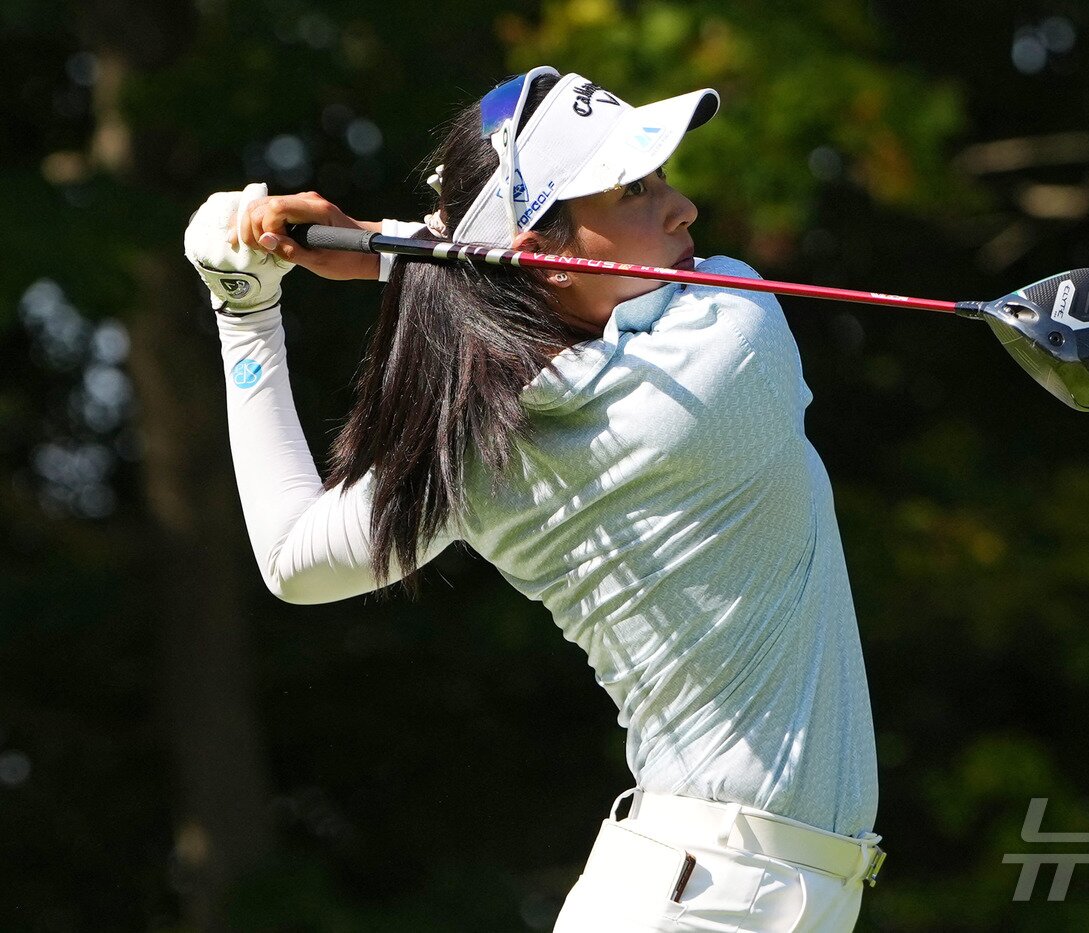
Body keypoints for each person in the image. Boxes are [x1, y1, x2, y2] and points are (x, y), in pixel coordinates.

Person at [183, 66, 884, 931]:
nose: (683, 209)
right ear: (547, 258)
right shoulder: (732, 344)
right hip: (711, 899)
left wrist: (246, 313)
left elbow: (294, 557)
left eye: (661, 177)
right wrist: (390, 247)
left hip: (712, 886)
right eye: (633, 190)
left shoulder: (481, 447)